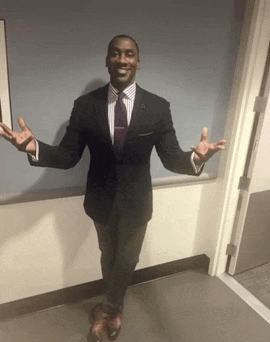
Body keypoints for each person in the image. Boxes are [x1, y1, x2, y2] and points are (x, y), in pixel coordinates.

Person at [0, 35, 226, 341]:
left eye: (129, 54)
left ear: (137, 62)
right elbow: (68, 156)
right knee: (108, 256)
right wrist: (33, 146)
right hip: (100, 201)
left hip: (137, 203)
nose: (123, 60)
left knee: (128, 260)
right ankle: (113, 306)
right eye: (116, 54)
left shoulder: (158, 107)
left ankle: (108, 310)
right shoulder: (85, 105)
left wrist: (195, 159)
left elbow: (172, 158)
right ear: (107, 60)